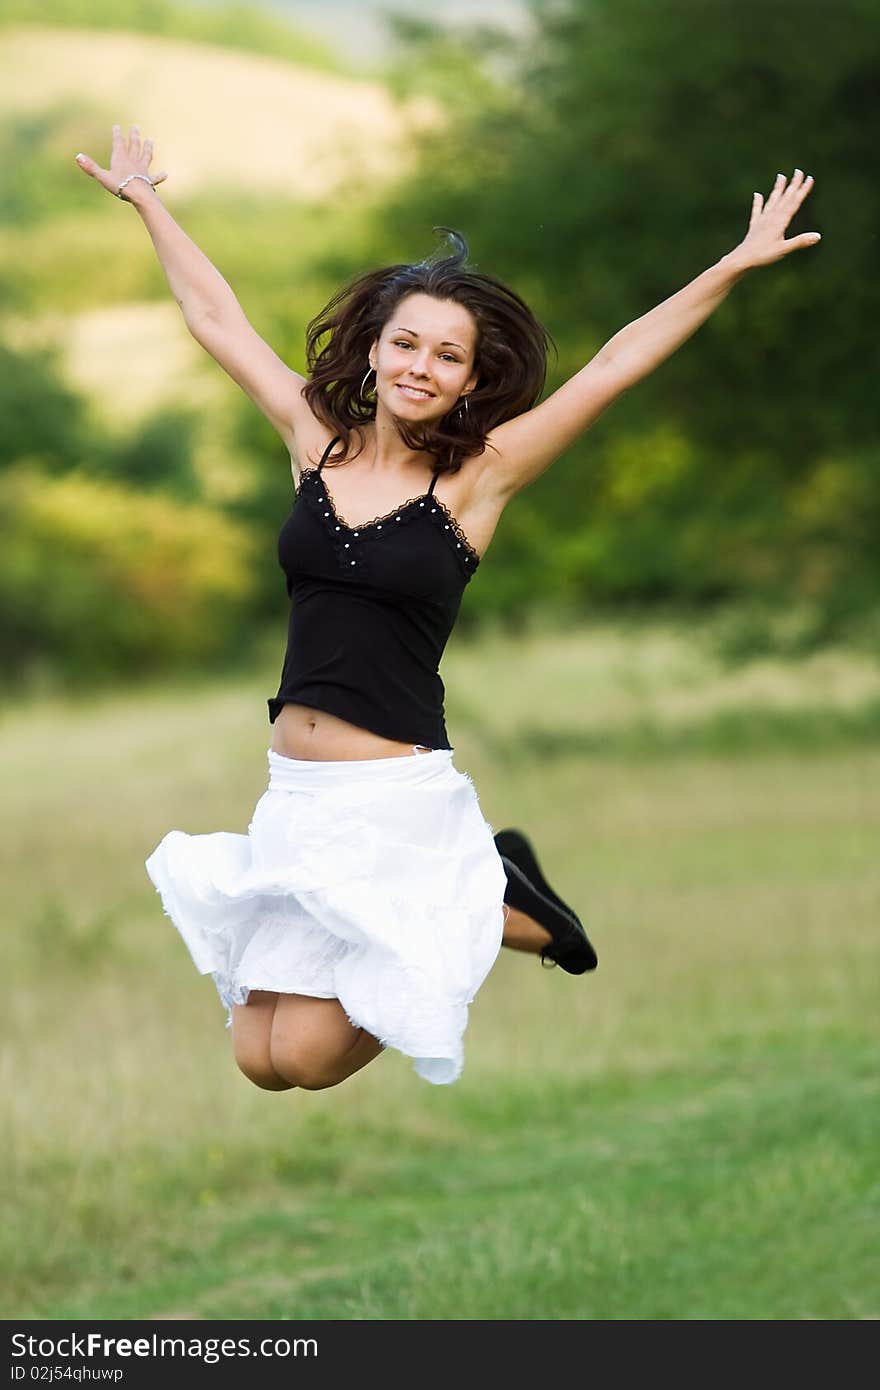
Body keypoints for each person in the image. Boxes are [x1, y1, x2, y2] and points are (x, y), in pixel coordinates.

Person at [75, 126, 819, 1091]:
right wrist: (149, 204)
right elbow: (219, 323)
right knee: (258, 1061)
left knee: (302, 1055)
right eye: (408, 344)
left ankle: (478, 895)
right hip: (296, 796)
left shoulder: (478, 481)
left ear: (473, 379)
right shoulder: (316, 443)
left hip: (394, 803)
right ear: (375, 351)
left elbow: (612, 368)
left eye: (450, 356)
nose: (423, 366)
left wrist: (732, 266)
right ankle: (492, 893)